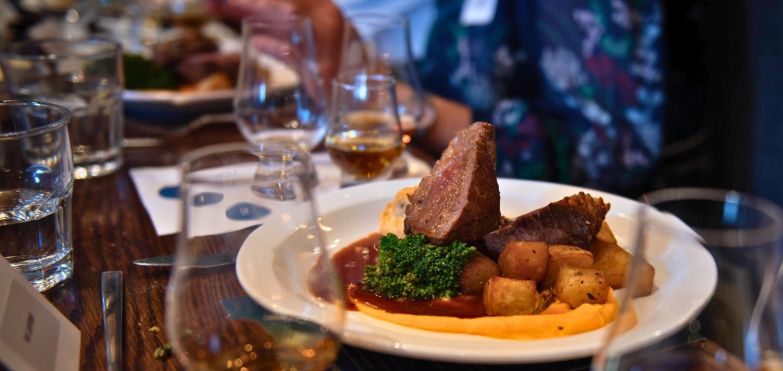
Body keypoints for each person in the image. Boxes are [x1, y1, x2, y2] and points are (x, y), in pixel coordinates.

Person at [210, 0, 666, 196]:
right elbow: (443, 84)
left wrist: (390, 99)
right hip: (448, 194)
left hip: (560, 238)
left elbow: (612, 153)